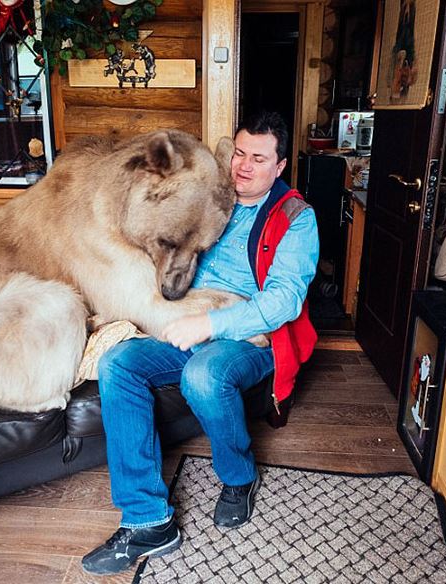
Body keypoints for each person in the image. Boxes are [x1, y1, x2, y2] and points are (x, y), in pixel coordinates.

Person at [81, 111, 319, 576]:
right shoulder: (214, 195)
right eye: (241, 154)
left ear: (281, 165)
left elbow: (285, 301)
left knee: (204, 375)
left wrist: (210, 324)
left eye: (260, 158)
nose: (244, 166)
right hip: (185, 319)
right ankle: (148, 519)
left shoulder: (296, 217)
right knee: (118, 363)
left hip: (251, 334)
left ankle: (238, 476)